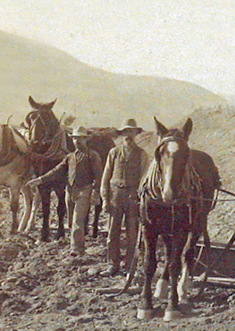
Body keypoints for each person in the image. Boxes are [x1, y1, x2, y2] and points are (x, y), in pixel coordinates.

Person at [28, 126, 103, 256]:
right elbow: (57, 171)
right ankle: (75, 246)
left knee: (77, 220)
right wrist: (40, 180)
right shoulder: (70, 157)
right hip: (70, 190)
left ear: (86, 140)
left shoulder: (92, 156)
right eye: (75, 139)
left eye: (80, 139)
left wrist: (95, 192)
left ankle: (77, 249)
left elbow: (98, 175)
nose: (77, 141)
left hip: (84, 190)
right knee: (71, 222)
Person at [101, 118, 149, 275]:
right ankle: (112, 265)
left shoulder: (142, 154)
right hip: (115, 195)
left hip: (132, 195)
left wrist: (138, 196)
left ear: (136, 134)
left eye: (131, 132)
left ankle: (130, 266)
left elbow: (143, 177)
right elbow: (106, 177)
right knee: (112, 232)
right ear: (122, 134)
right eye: (125, 132)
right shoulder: (114, 152)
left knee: (132, 234)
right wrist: (105, 199)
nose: (128, 135)